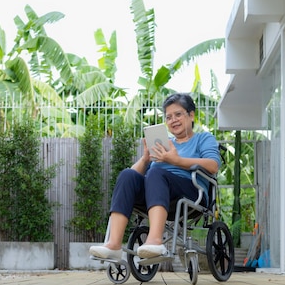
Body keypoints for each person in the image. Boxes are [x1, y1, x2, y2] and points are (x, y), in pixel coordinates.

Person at [90, 92, 221, 261]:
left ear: (191, 115)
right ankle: (113, 244)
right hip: (157, 190)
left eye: (178, 114)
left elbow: (213, 165)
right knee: (127, 174)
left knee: (156, 173)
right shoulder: (164, 144)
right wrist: (145, 159)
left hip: (190, 191)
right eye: (169, 117)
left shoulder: (203, 138)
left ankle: (154, 240)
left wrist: (177, 160)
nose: (173, 120)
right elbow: (136, 175)